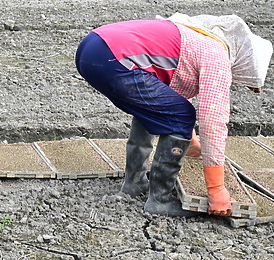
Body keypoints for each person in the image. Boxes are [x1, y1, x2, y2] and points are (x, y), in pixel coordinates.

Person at [75, 13, 272, 217]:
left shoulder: (197, 39)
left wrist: (192, 143)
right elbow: (213, 121)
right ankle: (159, 201)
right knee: (182, 115)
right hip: (112, 57)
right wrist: (216, 189)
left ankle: (134, 184)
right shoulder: (217, 57)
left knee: (152, 108)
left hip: (93, 46)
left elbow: (165, 101)